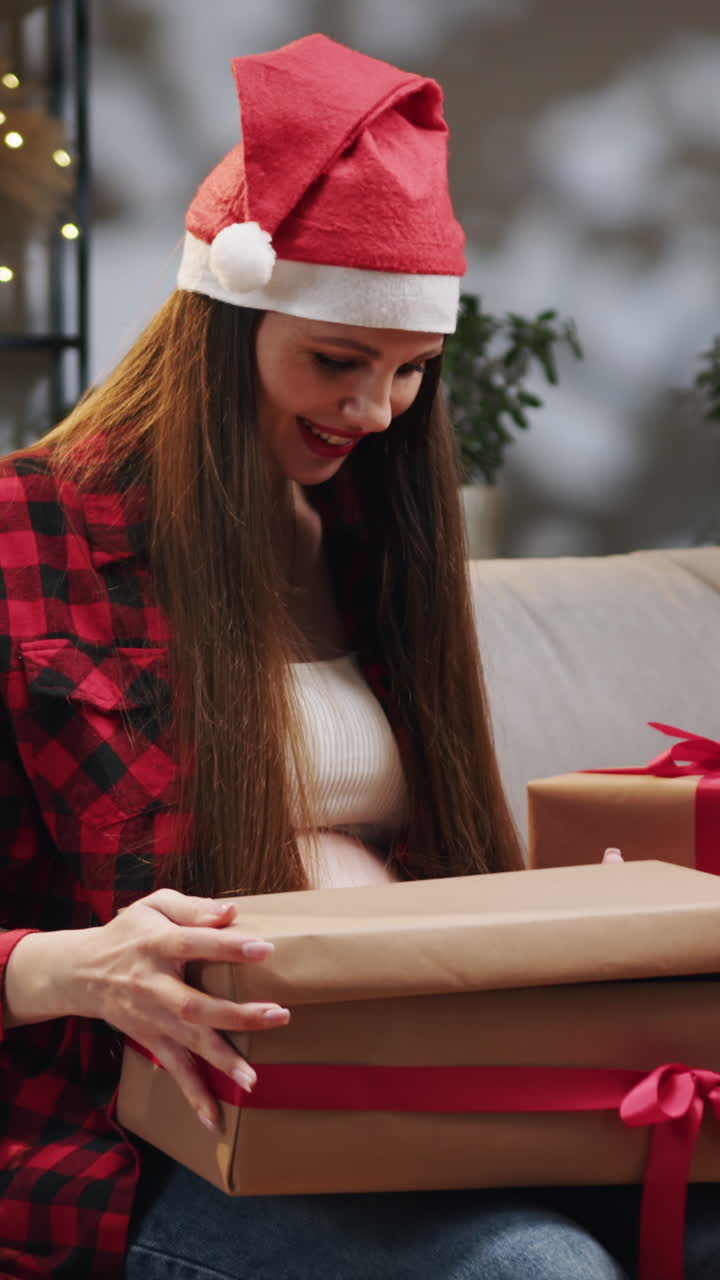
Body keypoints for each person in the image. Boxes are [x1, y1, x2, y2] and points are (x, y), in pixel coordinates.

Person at [0, 32, 716, 1280]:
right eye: (336, 361)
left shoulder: (375, 529)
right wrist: (71, 964)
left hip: (421, 1095)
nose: (375, 412)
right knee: (532, 1271)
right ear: (222, 325)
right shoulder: (32, 530)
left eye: (409, 374)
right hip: (141, 1132)